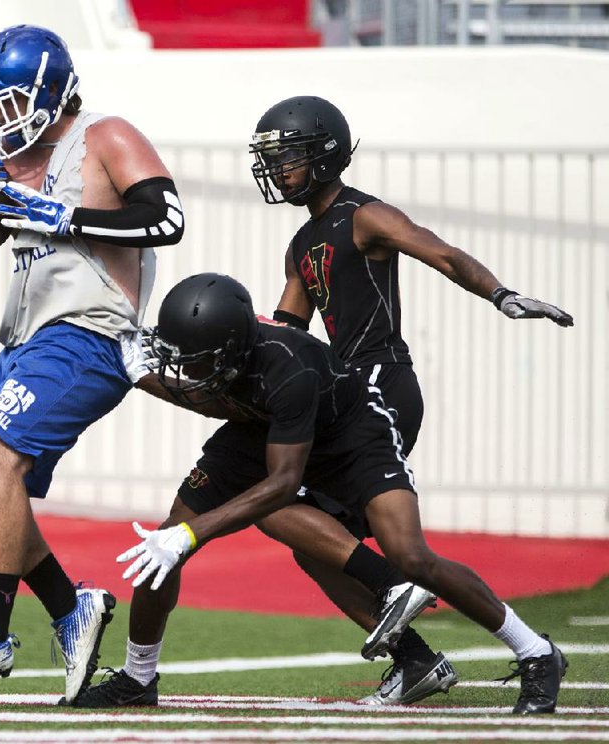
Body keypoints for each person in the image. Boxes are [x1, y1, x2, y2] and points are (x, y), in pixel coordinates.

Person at [78, 272, 567, 716]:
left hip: (350, 436)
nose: (185, 369)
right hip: (258, 429)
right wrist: (139, 373)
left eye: (197, 360)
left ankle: (535, 652)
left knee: (412, 557)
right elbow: (214, 398)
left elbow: (283, 482)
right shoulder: (232, 358)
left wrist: (192, 533)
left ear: (231, 352)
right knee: (165, 546)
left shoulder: (290, 369)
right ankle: (138, 678)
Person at [242, 95, 574, 700]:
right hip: (348, 398)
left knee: (407, 556)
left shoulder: (363, 215)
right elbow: (289, 334)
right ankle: (415, 661)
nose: (276, 169)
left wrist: (502, 294)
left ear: (323, 155)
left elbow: (438, 250)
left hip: (382, 389)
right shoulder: (301, 243)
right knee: (308, 539)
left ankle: (534, 653)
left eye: (286, 156)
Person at [0, 24, 184, 705]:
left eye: (10, 102)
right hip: (25, 339)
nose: (0, 118)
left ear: (51, 91)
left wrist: (65, 217)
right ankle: (69, 605)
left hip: (90, 328)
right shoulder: (2, 162)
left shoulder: (105, 134)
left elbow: (166, 216)